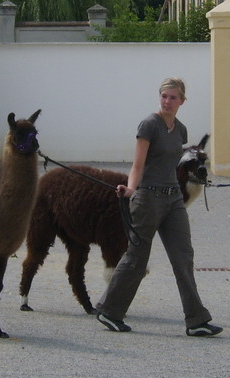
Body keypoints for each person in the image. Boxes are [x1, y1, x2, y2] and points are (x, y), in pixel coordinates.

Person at [94, 78, 222, 337]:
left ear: (182, 101)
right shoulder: (149, 125)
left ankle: (196, 320)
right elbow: (137, 165)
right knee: (136, 258)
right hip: (148, 198)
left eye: (173, 97)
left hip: (174, 198)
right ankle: (110, 311)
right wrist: (130, 189)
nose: (167, 101)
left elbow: (174, 165)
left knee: (183, 257)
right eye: (164, 96)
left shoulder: (181, 130)